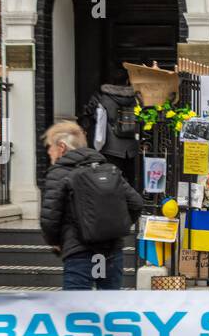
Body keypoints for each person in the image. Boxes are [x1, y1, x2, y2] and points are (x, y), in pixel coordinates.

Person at [40, 121, 143, 290]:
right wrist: (116, 226)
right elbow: (136, 203)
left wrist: (57, 242)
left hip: (79, 253)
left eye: (50, 147)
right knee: (108, 306)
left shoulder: (58, 173)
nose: (49, 152)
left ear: (61, 147)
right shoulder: (107, 169)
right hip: (111, 251)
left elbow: (49, 219)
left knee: (78, 308)